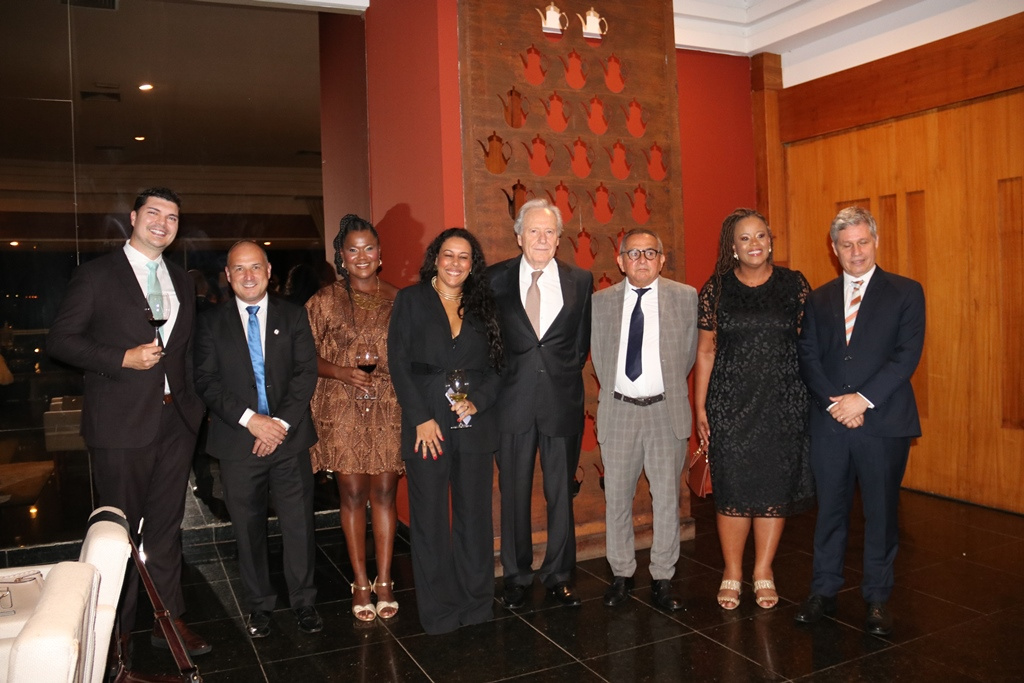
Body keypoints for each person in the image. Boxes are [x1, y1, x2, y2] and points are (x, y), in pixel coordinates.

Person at [47, 187, 211, 655]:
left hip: (176, 421)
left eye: (172, 217)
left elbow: (185, 350)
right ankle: (115, 632)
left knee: (166, 527)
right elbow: (61, 340)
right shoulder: (97, 275)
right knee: (118, 534)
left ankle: (168, 620)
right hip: (121, 424)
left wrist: (194, 406)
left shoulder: (181, 280)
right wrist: (121, 357)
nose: (163, 223)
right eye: (154, 213)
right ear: (134, 217)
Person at [795, 206, 925, 637]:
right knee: (830, 510)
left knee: (881, 513)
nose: (856, 252)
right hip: (831, 421)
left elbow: (906, 355)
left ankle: (877, 598)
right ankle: (824, 591)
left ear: (876, 242)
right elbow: (808, 356)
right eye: (846, 245)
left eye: (862, 242)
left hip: (883, 421)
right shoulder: (819, 299)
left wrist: (862, 401)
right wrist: (836, 405)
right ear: (834, 249)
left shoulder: (906, 292)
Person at [193, 240, 322, 639]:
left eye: (255, 267)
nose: (248, 275)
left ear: (268, 272)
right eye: (239, 268)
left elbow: (305, 373)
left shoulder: (294, 315)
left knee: (298, 525)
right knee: (247, 529)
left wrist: (277, 424)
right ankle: (259, 605)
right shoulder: (210, 323)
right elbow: (206, 381)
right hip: (238, 442)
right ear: (227, 276)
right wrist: (253, 421)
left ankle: (304, 601)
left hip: (290, 439)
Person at [693, 208, 815, 611]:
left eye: (760, 235)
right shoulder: (717, 289)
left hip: (783, 402)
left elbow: (810, 344)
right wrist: (700, 405)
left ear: (771, 240)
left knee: (772, 487)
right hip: (730, 403)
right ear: (733, 247)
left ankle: (763, 570)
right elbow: (706, 351)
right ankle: (732, 571)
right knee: (733, 487)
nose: (754, 244)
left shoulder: (794, 285)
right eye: (744, 238)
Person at [388, 228, 504, 634]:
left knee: (475, 517)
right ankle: (439, 612)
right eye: (448, 255)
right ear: (435, 259)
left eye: (464, 257)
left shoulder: (485, 304)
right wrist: (420, 417)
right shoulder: (411, 299)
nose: (456, 263)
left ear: (473, 265)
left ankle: (476, 604)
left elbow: (498, 367)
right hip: (427, 421)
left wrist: (479, 401)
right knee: (430, 518)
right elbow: (398, 363)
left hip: (473, 421)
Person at [488, 198, 593, 609]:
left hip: (561, 401)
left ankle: (559, 575)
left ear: (559, 238)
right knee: (513, 493)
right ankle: (516, 576)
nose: (542, 238)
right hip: (510, 402)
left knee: (560, 494)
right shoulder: (493, 279)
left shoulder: (580, 280)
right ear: (519, 236)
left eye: (550, 231)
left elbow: (580, 345)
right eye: (533, 230)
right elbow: (488, 342)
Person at [591, 229, 697, 611]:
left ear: (662, 259)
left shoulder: (685, 297)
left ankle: (663, 577)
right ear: (620, 261)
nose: (641, 260)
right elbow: (599, 356)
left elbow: (688, 355)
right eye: (633, 253)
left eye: (650, 252)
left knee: (666, 498)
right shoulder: (600, 302)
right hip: (619, 409)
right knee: (617, 498)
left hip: (665, 411)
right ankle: (621, 573)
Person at [306, 214, 402, 623]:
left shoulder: (400, 299)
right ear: (341, 257)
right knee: (352, 494)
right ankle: (360, 581)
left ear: (380, 254)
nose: (361, 256)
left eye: (369, 248)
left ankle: (385, 580)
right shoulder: (324, 301)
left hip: (389, 406)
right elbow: (302, 357)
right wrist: (340, 371)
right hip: (341, 406)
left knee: (385, 493)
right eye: (352, 250)